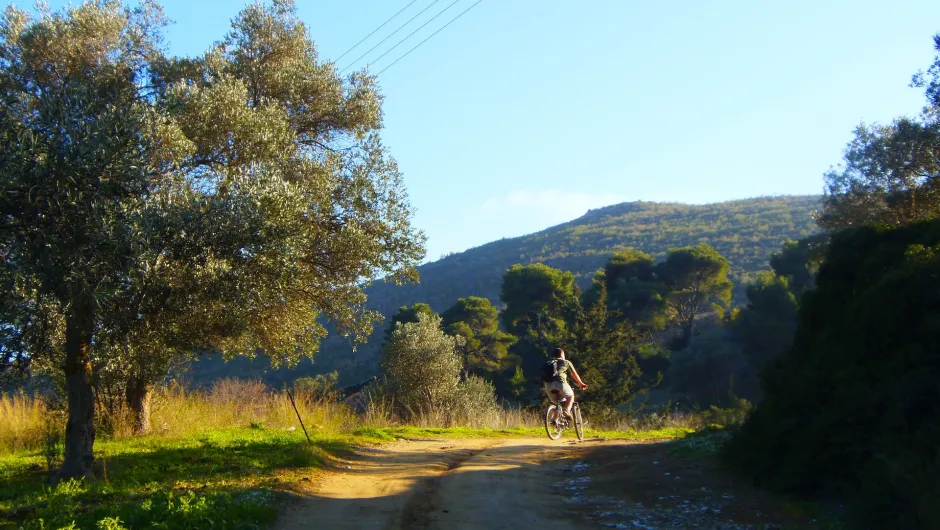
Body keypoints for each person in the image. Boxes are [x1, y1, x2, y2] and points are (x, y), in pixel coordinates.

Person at [542, 347, 587, 421]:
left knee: (557, 403)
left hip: (548, 385)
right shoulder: (566, 362)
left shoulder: (548, 363)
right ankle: (566, 410)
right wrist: (581, 384)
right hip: (560, 383)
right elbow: (574, 374)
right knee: (570, 396)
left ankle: (555, 420)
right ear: (562, 355)